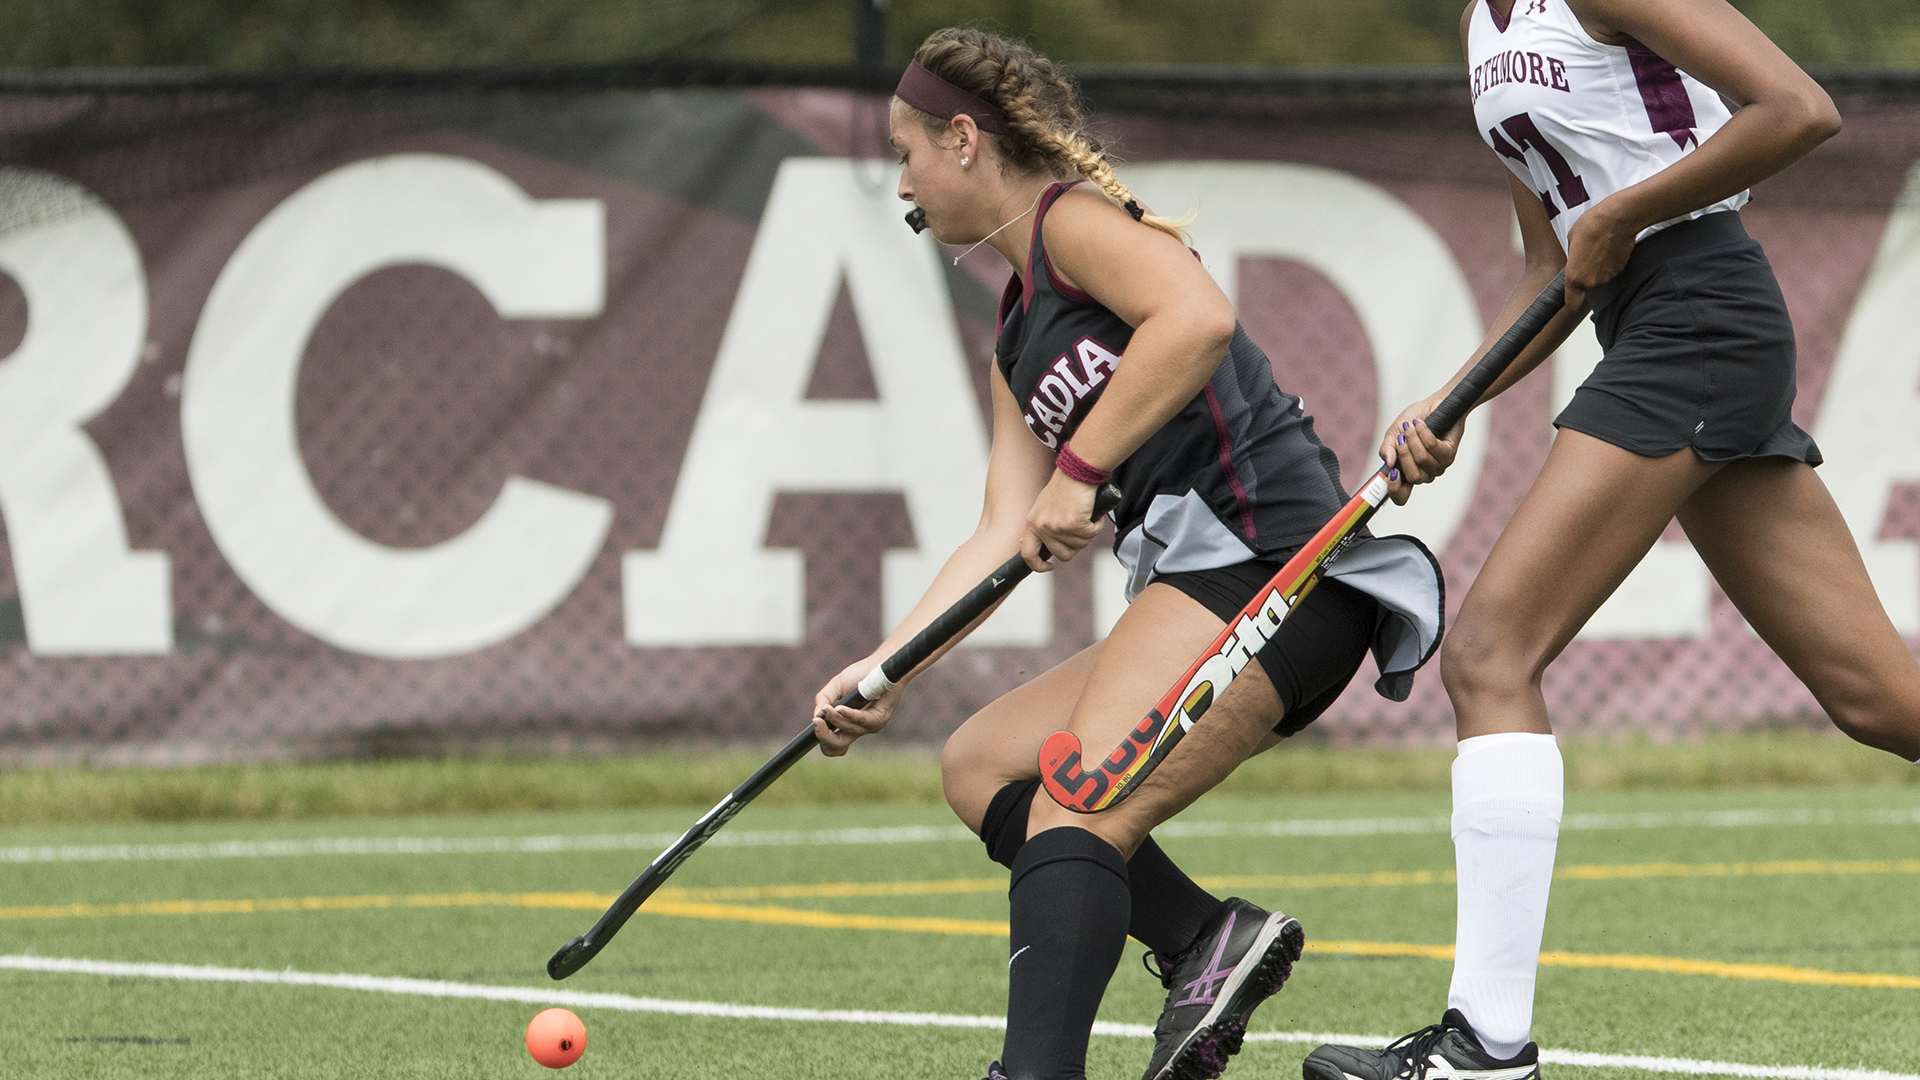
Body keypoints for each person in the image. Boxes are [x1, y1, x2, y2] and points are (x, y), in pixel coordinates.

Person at [808, 28, 1446, 1080]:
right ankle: (1204, 939)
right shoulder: (1017, 334)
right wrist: (885, 669)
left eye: (906, 153)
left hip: (1278, 572)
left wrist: (1082, 467)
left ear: (963, 139)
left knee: (1080, 802)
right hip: (1206, 586)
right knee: (980, 765)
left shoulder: (1074, 225)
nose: (903, 182)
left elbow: (1195, 316)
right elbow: (1002, 531)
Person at [1303, 2, 1920, 1079]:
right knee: (1883, 704)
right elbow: (1554, 266)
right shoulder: (1480, 24)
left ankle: (1486, 1048)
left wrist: (1627, 209)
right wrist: (1452, 400)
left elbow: (1797, 108)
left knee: (1490, 656)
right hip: (1648, 324)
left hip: (1700, 317)